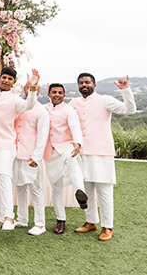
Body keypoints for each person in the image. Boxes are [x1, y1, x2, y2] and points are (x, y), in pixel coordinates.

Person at [70, 73, 136, 241]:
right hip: (82, 153)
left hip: (102, 152)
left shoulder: (105, 100)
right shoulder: (74, 103)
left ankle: (108, 227)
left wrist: (125, 90)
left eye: (87, 82)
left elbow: (130, 110)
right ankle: (91, 222)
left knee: (105, 192)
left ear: (94, 84)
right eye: (81, 83)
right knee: (88, 191)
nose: (84, 85)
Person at [0, 65, 39, 231]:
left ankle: (9, 217)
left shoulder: (15, 100)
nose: (6, 80)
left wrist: (32, 87)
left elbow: (29, 105)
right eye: (4, 77)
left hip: (5, 145)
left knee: (4, 179)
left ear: (13, 83)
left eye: (10, 79)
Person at [43, 83, 86, 235]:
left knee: (72, 159)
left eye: (60, 92)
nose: (57, 95)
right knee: (56, 187)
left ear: (64, 95)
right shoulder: (43, 109)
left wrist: (78, 143)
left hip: (66, 146)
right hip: (50, 152)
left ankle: (80, 192)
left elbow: (75, 127)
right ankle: (60, 220)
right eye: (54, 92)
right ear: (49, 94)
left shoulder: (69, 110)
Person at [12, 85, 49, 236]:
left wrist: (36, 156)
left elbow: (42, 136)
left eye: (33, 88)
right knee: (19, 187)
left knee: (36, 189)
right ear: (23, 88)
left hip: (31, 155)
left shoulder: (41, 111)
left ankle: (40, 224)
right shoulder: (18, 106)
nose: (30, 90)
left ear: (38, 91)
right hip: (15, 153)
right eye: (27, 87)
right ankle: (22, 219)